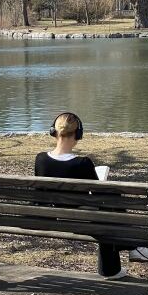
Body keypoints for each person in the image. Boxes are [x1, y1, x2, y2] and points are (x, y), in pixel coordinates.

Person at [34, 112, 129, 280]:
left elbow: (40, 193)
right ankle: (115, 264)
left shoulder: (41, 160)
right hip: (79, 219)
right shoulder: (82, 163)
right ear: (78, 134)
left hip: (50, 218)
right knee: (111, 202)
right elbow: (99, 196)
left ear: (53, 132)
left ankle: (117, 263)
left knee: (107, 206)